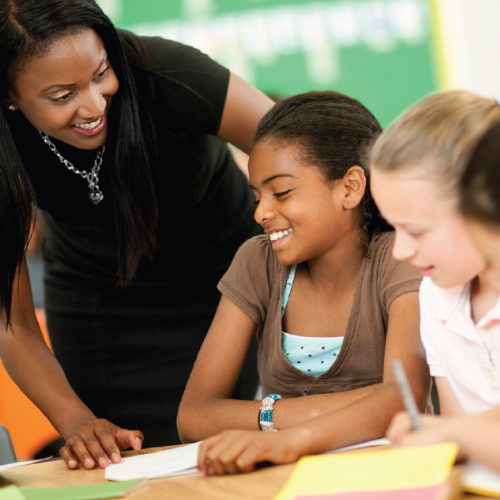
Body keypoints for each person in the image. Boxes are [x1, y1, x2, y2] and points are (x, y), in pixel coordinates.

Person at [0, 0, 273, 469]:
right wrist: (76, 422)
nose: (94, 105)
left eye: (101, 73)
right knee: (124, 463)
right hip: (97, 297)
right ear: (8, 95)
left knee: (216, 458)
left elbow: (296, 149)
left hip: (224, 280)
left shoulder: (163, 70)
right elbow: (13, 323)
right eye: (63, 96)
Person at [176, 91, 430, 476]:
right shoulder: (256, 261)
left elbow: (403, 398)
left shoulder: (398, 258)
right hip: (284, 480)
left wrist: (279, 431)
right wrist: (364, 404)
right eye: (258, 196)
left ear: (349, 187)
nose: (261, 212)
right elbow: (194, 416)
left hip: (391, 477)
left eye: (281, 192)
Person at [369, 91, 500, 469]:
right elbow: (461, 433)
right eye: (393, 227)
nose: (399, 251)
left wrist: (453, 435)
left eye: (417, 230)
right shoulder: (436, 297)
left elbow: (460, 433)